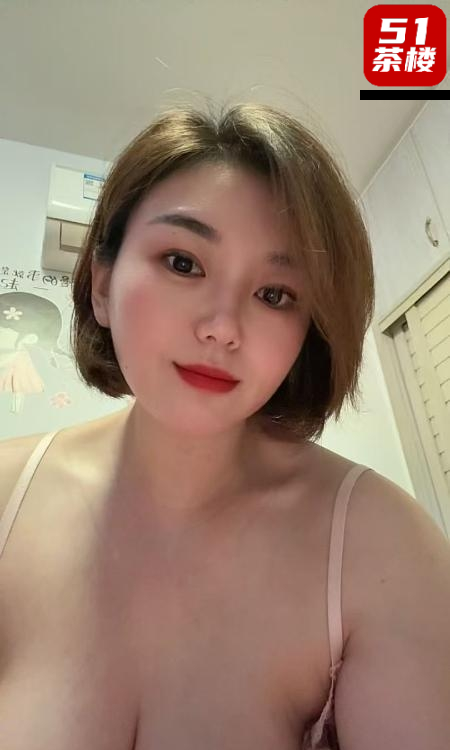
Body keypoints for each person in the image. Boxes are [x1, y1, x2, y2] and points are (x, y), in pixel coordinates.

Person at [0, 100, 449, 750]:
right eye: (183, 263)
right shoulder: (7, 494)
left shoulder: (382, 545)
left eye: (275, 294)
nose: (222, 327)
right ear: (101, 283)